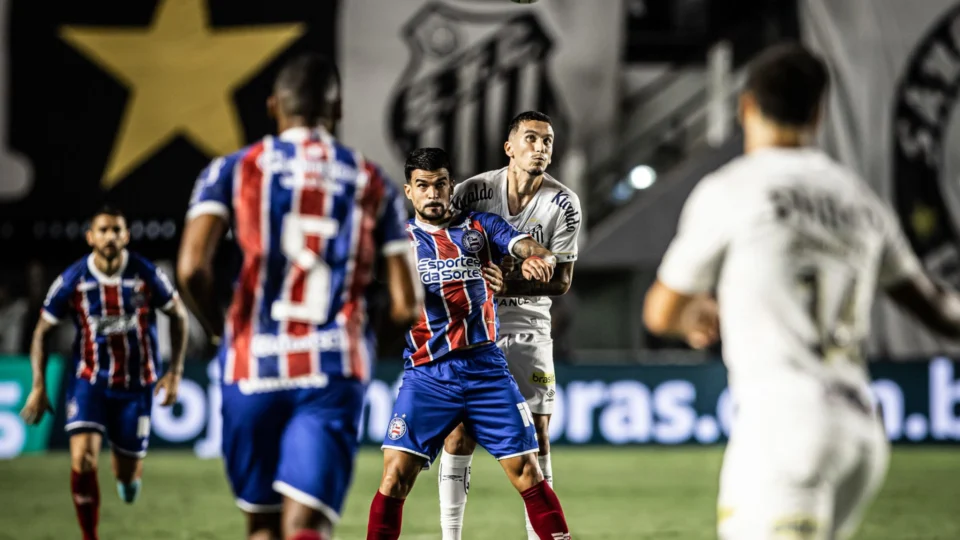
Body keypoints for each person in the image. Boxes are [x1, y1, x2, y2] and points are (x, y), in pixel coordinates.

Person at [643, 43, 960, 540]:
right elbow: (939, 309)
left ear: (746, 105)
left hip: (784, 423)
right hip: (859, 428)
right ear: (818, 112)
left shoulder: (733, 189)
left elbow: (661, 312)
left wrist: (693, 313)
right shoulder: (859, 199)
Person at [176, 53, 421, 540]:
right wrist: (364, 344)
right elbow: (406, 305)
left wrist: (222, 331)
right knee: (307, 524)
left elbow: (191, 268)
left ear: (273, 106)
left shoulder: (233, 169)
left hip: (252, 364)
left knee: (262, 526)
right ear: (338, 109)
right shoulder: (371, 181)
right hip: (332, 367)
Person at [366, 147, 571, 540]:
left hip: (485, 371)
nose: (432, 193)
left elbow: (525, 246)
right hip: (427, 374)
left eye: (440, 184)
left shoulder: (480, 226)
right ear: (409, 191)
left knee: (528, 470)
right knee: (394, 477)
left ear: (451, 186)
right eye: (422, 186)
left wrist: (538, 257)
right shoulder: (398, 243)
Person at [442, 110, 580, 540]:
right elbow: (442, 247)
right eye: (531, 139)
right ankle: (450, 536)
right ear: (509, 148)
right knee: (459, 432)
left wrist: (511, 279)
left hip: (530, 327)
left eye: (547, 141)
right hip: (475, 325)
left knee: (538, 433)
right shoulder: (473, 192)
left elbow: (562, 280)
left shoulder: (563, 203)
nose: (540, 148)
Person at [20, 205, 188, 540]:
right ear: (90, 237)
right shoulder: (73, 280)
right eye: (103, 230)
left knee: (127, 478)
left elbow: (178, 315)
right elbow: (41, 332)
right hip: (89, 381)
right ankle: (90, 536)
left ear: (126, 236)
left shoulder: (145, 274)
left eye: (116, 230)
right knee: (82, 459)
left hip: (136, 386)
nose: (110, 236)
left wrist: (175, 373)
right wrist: (38, 385)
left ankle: (128, 478)